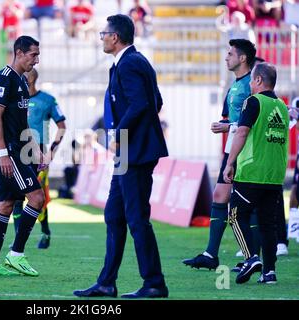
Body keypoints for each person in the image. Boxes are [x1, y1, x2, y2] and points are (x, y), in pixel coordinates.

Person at [73, 14, 169, 299]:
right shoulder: (130, 62)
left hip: (135, 152)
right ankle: (106, 283)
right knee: (114, 214)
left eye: (103, 34)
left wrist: (118, 135)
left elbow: (141, 104)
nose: (101, 37)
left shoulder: (129, 64)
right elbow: (156, 102)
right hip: (131, 151)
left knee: (137, 218)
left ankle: (154, 283)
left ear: (115, 37)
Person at [182, 39, 256, 270]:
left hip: (248, 149)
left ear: (242, 58)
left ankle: (253, 258)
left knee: (248, 203)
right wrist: (224, 124)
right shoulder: (234, 86)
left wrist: (228, 126)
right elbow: (230, 118)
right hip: (232, 147)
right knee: (219, 195)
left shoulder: (251, 85)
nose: (226, 57)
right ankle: (211, 254)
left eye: (230, 54)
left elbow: (253, 120)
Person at [0, 35, 45, 277]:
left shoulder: (22, 80)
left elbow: (22, 121)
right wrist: (4, 153)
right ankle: (16, 254)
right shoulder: (4, 78)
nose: (36, 60)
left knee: (6, 205)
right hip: (9, 153)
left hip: (19, 151)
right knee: (37, 197)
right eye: (33, 55)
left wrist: (36, 149)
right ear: (19, 52)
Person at [223, 62, 288, 284]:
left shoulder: (253, 102)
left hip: (252, 171)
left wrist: (229, 162)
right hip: (275, 173)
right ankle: (269, 272)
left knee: (234, 214)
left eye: (252, 80)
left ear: (259, 80)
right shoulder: (281, 106)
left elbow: (242, 132)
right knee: (267, 223)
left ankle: (251, 257)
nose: (250, 83)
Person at [12, 68, 66, 249]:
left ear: (31, 80)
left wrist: (51, 152)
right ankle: (19, 239)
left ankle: (45, 232)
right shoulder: (16, 99)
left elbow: (62, 126)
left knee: (38, 196)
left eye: (24, 78)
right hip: (19, 151)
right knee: (17, 196)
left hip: (39, 153)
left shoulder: (47, 100)